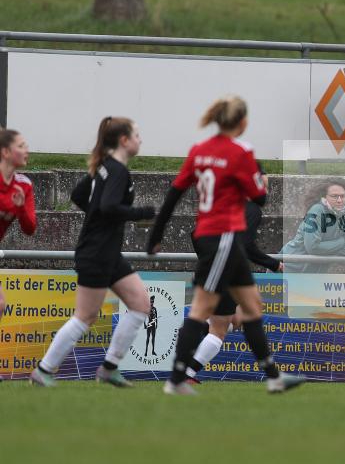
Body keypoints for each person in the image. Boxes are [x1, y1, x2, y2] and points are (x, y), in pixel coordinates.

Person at [146, 95, 303, 395]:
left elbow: (174, 194)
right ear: (242, 122)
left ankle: (274, 377)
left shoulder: (199, 150)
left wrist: (156, 234)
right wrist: (252, 181)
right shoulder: (241, 152)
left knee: (252, 305)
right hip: (223, 236)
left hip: (213, 236)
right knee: (202, 309)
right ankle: (176, 379)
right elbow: (259, 197)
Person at [30, 117, 155, 388]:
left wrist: (98, 219)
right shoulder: (117, 171)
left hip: (107, 252)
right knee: (85, 316)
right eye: (137, 134)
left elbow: (78, 195)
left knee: (141, 305)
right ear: (124, 140)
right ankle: (43, 370)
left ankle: (109, 368)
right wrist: (141, 213)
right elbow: (109, 207)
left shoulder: (104, 167)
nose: (140, 139)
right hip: (97, 252)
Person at [186, 165, 284, 383]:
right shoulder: (250, 210)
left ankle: (196, 336)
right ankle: (187, 373)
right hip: (226, 273)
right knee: (220, 330)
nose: (264, 193)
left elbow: (196, 235)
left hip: (211, 270)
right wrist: (274, 264)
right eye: (261, 186)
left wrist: (209, 259)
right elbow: (246, 246)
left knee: (238, 318)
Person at [280, 178, 345, 273]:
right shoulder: (316, 210)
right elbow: (312, 247)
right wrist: (341, 242)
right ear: (324, 197)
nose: (339, 200)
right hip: (288, 266)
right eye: (334, 196)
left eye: (342, 196)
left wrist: (325, 250)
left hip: (315, 271)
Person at [0, 129, 37, 327]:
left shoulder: (24, 185)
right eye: (21, 146)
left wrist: (21, 207)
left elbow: (30, 229)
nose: (27, 151)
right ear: (6, 152)